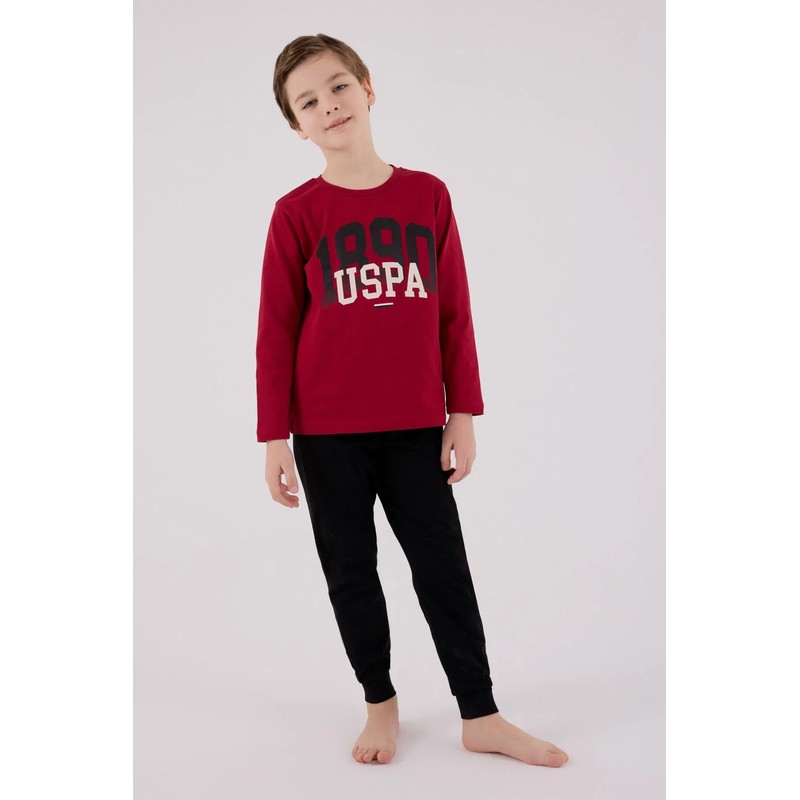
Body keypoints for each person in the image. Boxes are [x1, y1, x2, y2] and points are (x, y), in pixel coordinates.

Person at [256, 32, 569, 768]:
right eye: (309, 101)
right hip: (326, 434)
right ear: (297, 126)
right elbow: (276, 331)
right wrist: (275, 437)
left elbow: (454, 311)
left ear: (368, 88)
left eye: (339, 86)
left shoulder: (427, 195)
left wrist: (463, 412)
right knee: (351, 573)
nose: (330, 105)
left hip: (415, 428)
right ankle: (380, 702)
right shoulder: (296, 214)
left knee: (443, 568)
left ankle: (480, 713)